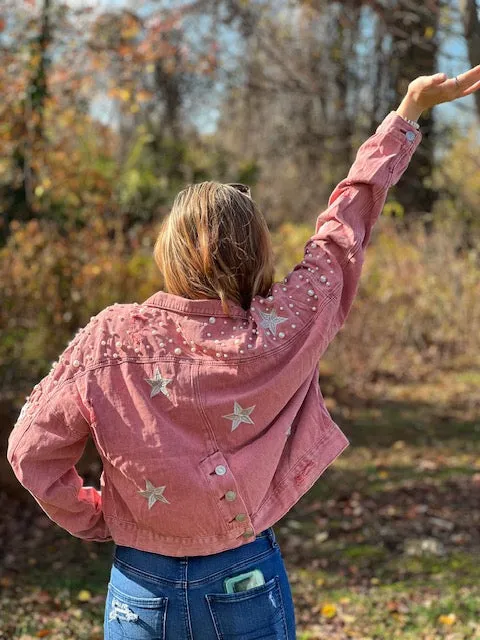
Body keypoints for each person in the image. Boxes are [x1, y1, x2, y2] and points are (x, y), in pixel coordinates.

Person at [6, 65, 480, 640]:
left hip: (139, 584)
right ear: (256, 249)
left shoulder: (110, 337)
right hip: (243, 577)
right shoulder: (282, 327)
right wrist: (406, 115)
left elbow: (31, 451)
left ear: (169, 250)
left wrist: (97, 516)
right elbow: (341, 232)